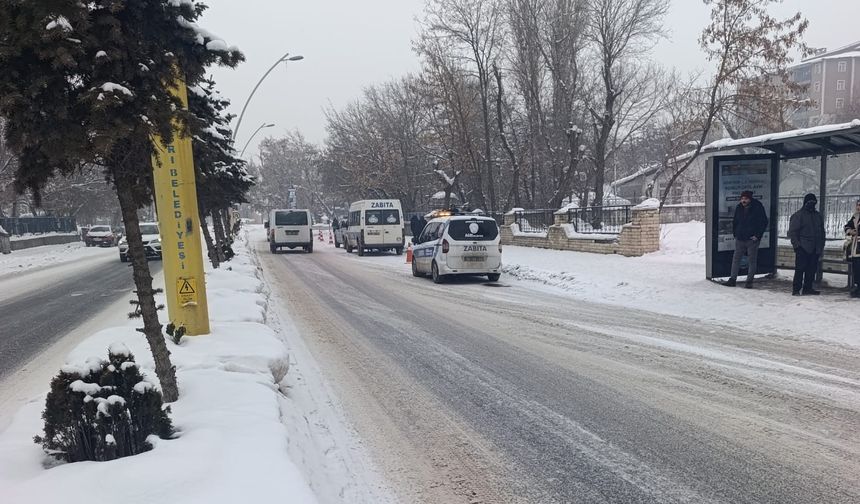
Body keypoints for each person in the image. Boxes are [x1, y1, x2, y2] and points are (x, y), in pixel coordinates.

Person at [725, 190, 769, 288]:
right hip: (740, 238)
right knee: (736, 259)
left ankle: (749, 281)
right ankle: (732, 279)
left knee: (752, 260)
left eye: (745, 199)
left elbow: (764, 221)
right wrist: (735, 233)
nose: (743, 201)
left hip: (752, 239)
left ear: (750, 199)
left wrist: (757, 236)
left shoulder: (757, 207)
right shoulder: (739, 207)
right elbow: (735, 221)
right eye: (742, 199)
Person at [787, 193, 826, 296]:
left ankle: (808, 288)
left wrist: (821, 245)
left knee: (811, 270)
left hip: (815, 248)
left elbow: (822, 232)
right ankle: (796, 289)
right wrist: (797, 246)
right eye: (810, 202)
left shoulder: (818, 216)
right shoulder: (798, 215)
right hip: (802, 247)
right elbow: (792, 232)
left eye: (814, 203)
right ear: (805, 203)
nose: (812, 204)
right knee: (800, 269)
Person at [844, 200, 860, 297]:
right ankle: (857, 286)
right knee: (856, 267)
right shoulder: (855, 216)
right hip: (855, 248)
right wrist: (850, 231)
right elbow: (847, 226)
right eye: (857, 205)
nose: (858, 207)